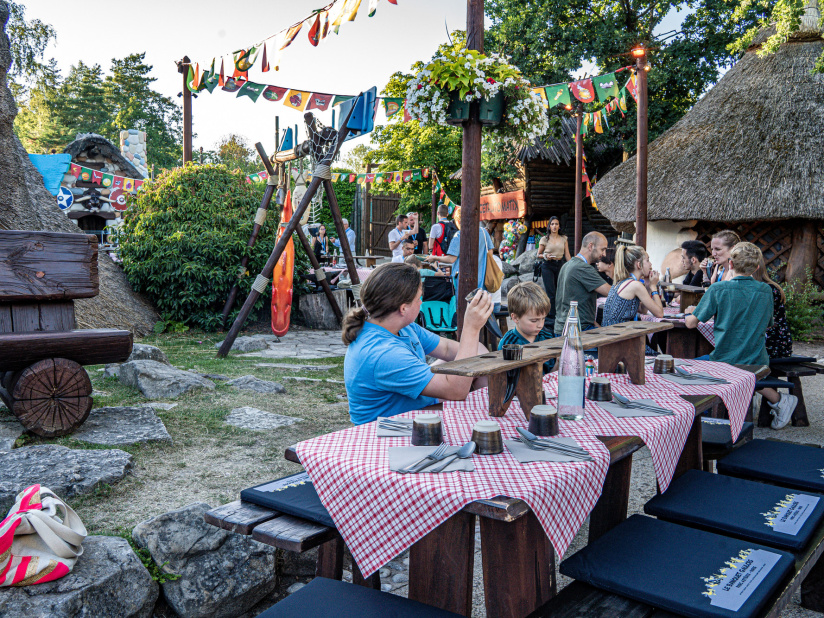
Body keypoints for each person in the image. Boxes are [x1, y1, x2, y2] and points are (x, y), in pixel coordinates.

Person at [342, 262, 493, 424]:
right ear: (403, 308)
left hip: (413, 412)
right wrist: (471, 329)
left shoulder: (402, 326)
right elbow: (457, 391)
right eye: (419, 298)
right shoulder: (384, 353)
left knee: (477, 369)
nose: (422, 302)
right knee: (471, 403)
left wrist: (484, 366)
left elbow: (448, 348)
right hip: (388, 430)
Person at [685, 242, 797, 429]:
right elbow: (768, 324)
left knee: (688, 370)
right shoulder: (766, 290)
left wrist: (691, 312)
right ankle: (774, 400)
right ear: (757, 267)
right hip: (758, 360)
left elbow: (691, 323)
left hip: (725, 360)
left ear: (730, 265)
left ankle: (702, 422)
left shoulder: (718, 289)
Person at [601, 243, 664, 354]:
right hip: (621, 342)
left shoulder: (622, 282)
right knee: (660, 357)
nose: (651, 264)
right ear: (639, 265)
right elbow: (659, 313)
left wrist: (649, 286)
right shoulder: (635, 285)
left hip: (611, 339)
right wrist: (654, 286)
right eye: (648, 260)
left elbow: (643, 310)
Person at [553, 231, 612, 334]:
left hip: (562, 327)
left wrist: (594, 323)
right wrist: (612, 271)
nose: (604, 254)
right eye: (602, 249)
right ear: (591, 246)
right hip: (577, 330)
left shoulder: (567, 265)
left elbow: (573, 301)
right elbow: (612, 293)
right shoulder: (583, 268)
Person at [424, 214, 494, 292]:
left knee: (462, 302)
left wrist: (434, 257)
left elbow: (451, 259)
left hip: (463, 280)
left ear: (458, 221)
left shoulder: (459, 235)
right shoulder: (484, 232)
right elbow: (490, 252)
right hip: (482, 278)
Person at [498, 282, 556, 373]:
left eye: (543, 319)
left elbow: (551, 374)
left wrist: (559, 363)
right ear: (515, 318)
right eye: (534, 321)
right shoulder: (509, 344)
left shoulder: (547, 337)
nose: (540, 325)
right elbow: (506, 378)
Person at [752, 252, 793, 359]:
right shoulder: (765, 287)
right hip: (766, 342)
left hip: (773, 345)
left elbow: (761, 322)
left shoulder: (768, 289)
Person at [537, 216, 571, 325]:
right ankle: (551, 316)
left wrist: (571, 266)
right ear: (549, 226)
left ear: (559, 226)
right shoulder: (544, 239)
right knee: (550, 291)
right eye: (552, 224)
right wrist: (546, 256)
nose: (554, 226)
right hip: (547, 265)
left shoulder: (563, 238)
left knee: (559, 290)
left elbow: (567, 254)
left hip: (559, 264)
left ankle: (558, 313)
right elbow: (538, 254)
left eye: (556, 224)